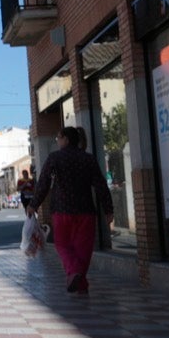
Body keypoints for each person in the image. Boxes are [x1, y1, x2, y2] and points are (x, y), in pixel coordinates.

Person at [28, 125, 113, 295]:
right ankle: (80, 283)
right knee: (83, 249)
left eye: (58, 138)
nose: (57, 141)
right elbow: (100, 184)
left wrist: (34, 204)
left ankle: (74, 273)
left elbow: (43, 183)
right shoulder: (88, 159)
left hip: (62, 210)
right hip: (85, 211)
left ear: (66, 139)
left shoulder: (54, 158)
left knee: (62, 244)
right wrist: (108, 209)